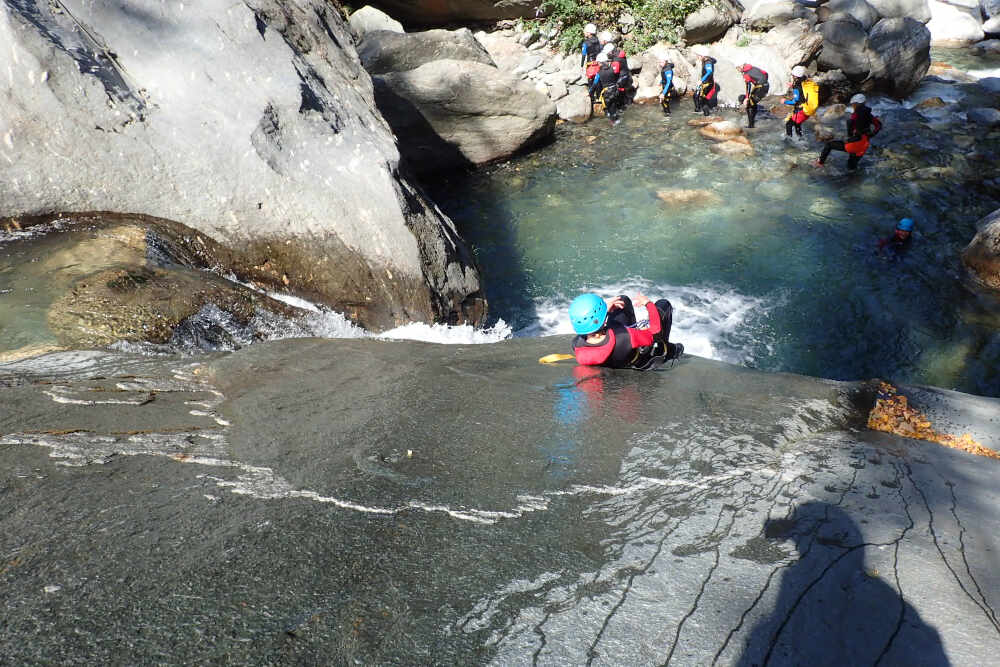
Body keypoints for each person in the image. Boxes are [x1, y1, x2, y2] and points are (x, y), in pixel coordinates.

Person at [569, 293, 683, 370]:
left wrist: (605, 312)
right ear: (601, 321)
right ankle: (668, 348)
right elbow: (655, 332)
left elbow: (595, 332)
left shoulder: (577, 344)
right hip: (637, 358)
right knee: (664, 304)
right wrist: (649, 304)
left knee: (622, 300)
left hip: (615, 357)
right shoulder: (626, 336)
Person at [813, 94, 882, 170]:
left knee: (829, 145)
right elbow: (878, 125)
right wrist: (872, 134)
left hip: (854, 144)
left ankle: (819, 163)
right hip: (864, 145)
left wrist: (849, 137)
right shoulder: (869, 114)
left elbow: (850, 123)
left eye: (853, 104)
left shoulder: (855, 115)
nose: (852, 106)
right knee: (852, 166)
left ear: (856, 104)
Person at [784, 65, 818, 140]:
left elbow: (794, 101)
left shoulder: (797, 86)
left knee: (789, 124)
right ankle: (800, 138)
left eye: (793, 75)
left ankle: (789, 142)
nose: (792, 76)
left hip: (802, 110)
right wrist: (792, 86)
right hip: (808, 108)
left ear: (795, 76)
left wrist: (785, 101)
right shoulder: (805, 80)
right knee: (797, 124)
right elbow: (802, 90)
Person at [590, 53, 623, 124]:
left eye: (598, 63)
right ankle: (617, 120)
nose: (597, 64)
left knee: (611, 113)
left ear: (600, 63)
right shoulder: (612, 69)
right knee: (615, 110)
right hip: (616, 92)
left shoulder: (599, 73)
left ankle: (614, 125)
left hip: (607, 95)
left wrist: (590, 93)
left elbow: (594, 85)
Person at [738, 63, 770, 128]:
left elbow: (748, 85)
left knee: (749, 104)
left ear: (742, 67)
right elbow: (766, 73)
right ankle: (752, 121)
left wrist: (747, 98)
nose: (738, 70)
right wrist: (763, 81)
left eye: (738, 68)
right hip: (766, 85)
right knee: (753, 103)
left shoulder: (746, 73)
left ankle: (751, 125)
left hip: (760, 88)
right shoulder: (753, 67)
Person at [692, 45, 718, 116]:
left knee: (703, 100)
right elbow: (715, 60)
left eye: (698, 55)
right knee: (695, 95)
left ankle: (707, 116)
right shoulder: (705, 59)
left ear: (702, 55)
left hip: (707, 83)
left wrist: (701, 80)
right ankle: (697, 110)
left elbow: (709, 71)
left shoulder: (707, 62)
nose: (697, 57)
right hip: (704, 82)